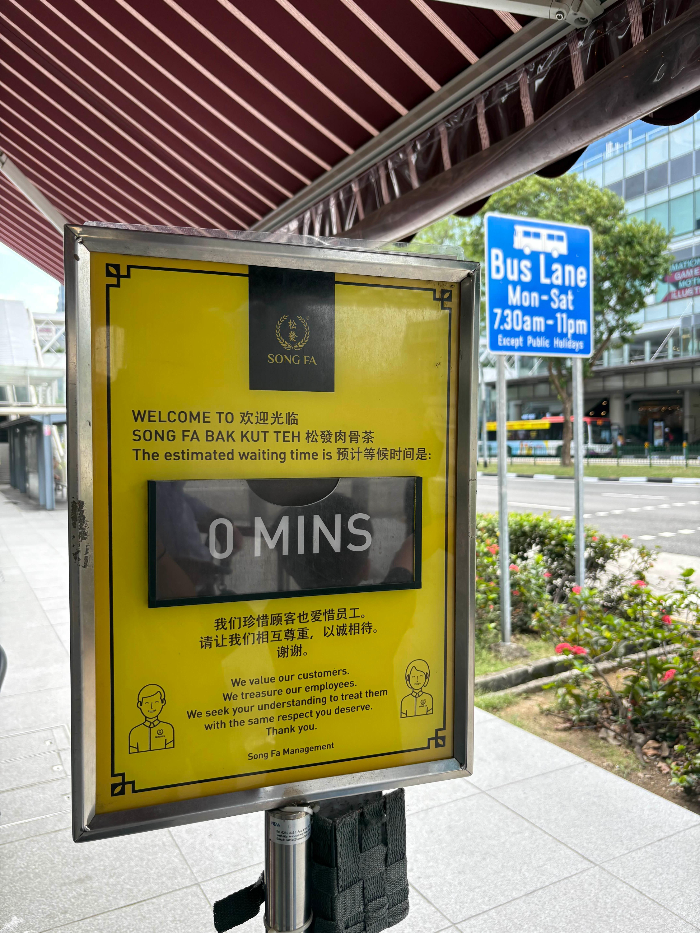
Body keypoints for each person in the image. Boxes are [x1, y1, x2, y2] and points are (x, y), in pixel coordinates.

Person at [129, 684, 174, 753]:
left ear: (163, 702)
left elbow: (171, 753)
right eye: (147, 703)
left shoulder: (168, 728)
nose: (151, 707)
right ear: (139, 705)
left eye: (156, 702)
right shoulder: (134, 732)